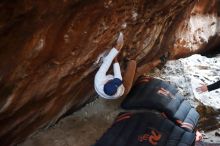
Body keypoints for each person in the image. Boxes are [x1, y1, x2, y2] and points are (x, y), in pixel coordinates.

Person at [94, 32, 125, 99]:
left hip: (103, 91)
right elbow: (116, 68)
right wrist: (116, 55)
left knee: (106, 61)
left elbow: (108, 61)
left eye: (113, 81)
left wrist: (116, 48)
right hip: (119, 92)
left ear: (106, 82)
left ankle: (103, 59)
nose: (116, 82)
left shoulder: (99, 79)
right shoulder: (118, 89)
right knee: (120, 82)